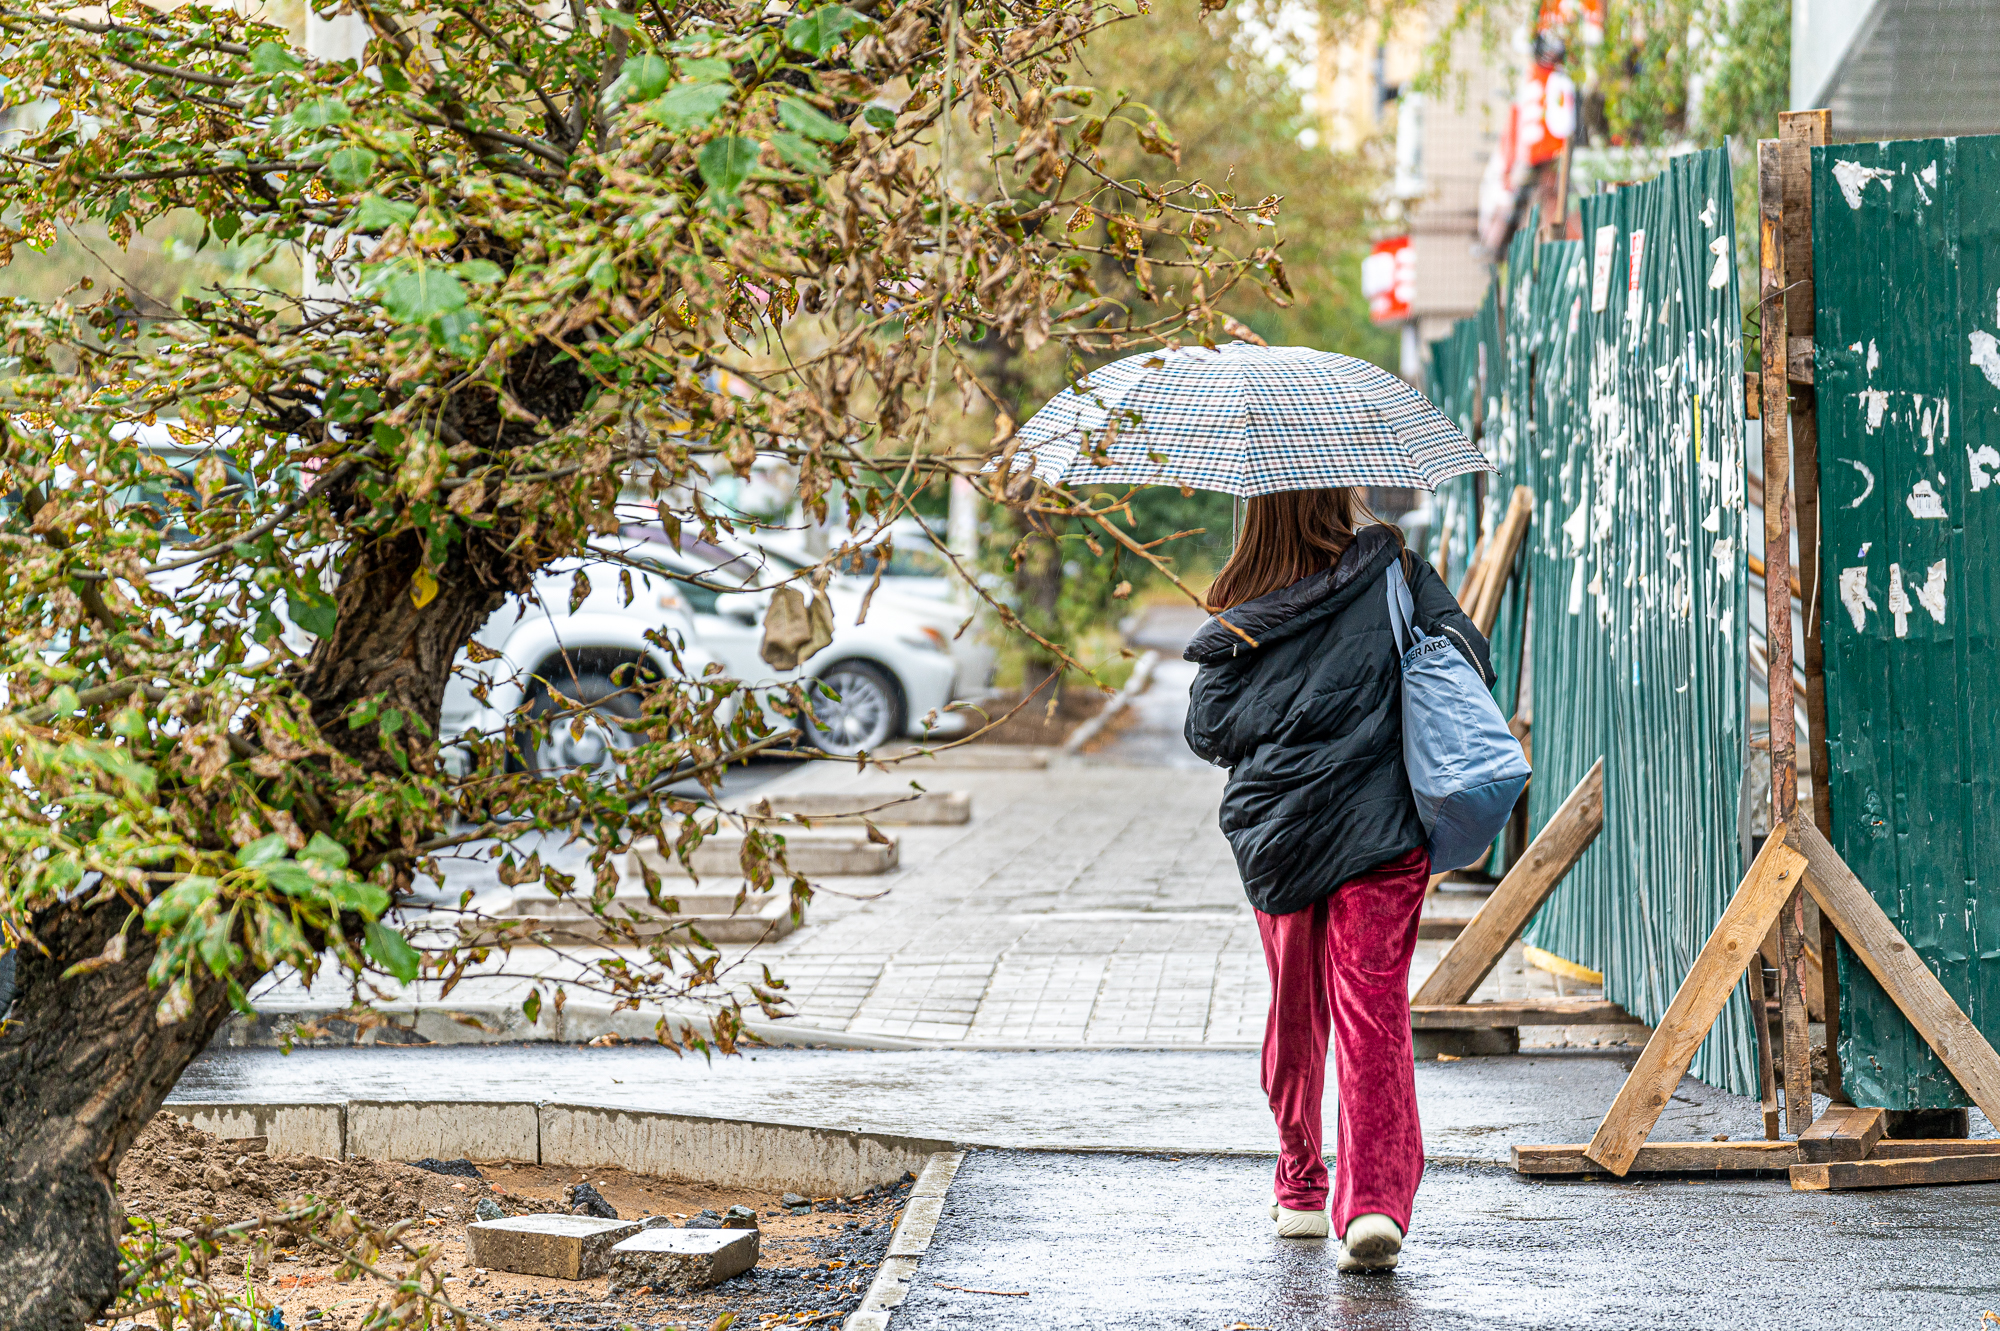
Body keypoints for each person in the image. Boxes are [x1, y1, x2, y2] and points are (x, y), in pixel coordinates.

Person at [1182, 487, 1492, 1272]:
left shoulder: (1242, 604)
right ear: (1336, 496)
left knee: (1295, 1012)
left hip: (1280, 839)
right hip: (1382, 832)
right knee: (1372, 1009)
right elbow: (1468, 662)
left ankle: (1299, 1187)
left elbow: (1208, 730)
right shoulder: (1398, 572)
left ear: (1260, 512)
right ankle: (1375, 1204)